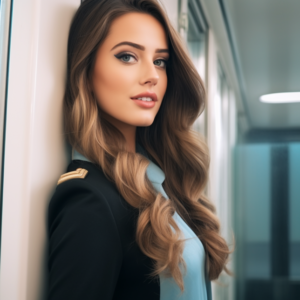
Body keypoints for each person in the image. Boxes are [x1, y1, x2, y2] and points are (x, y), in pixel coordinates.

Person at [47, 0, 231, 299]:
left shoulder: (163, 182)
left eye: (160, 61)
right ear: (87, 69)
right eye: (128, 56)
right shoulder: (90, 199)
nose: (153, 76)